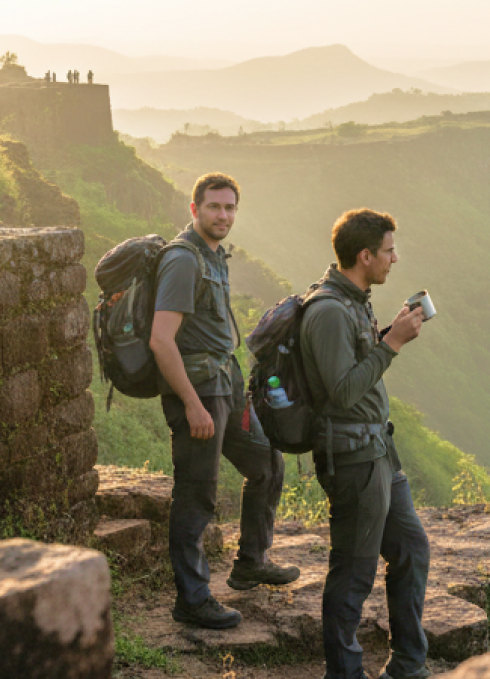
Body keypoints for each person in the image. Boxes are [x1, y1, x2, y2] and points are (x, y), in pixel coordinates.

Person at [150, 172, 299, 630]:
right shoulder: (183, 260)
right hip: (200, 392)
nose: (223, 215)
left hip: (226, 387)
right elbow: (161, 340)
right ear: (194, 209)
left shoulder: (215, 256)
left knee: (267, 463)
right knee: (197, 493)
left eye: (230, 207)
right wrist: (192, 405)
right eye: (214, 207)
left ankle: (251, 562)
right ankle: (192, 600)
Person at [300, 209, 430, 679]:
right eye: (389, 251)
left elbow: (353, 361)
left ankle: (409, 664)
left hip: (378, 451)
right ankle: (345, 672)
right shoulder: (330, 310)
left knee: (411, 549)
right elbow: (343, 390)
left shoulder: (355, 298)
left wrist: (383, 335)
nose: (396, 259)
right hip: (353, 459)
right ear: (365, 255)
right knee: (353, 574)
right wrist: (392, 343)